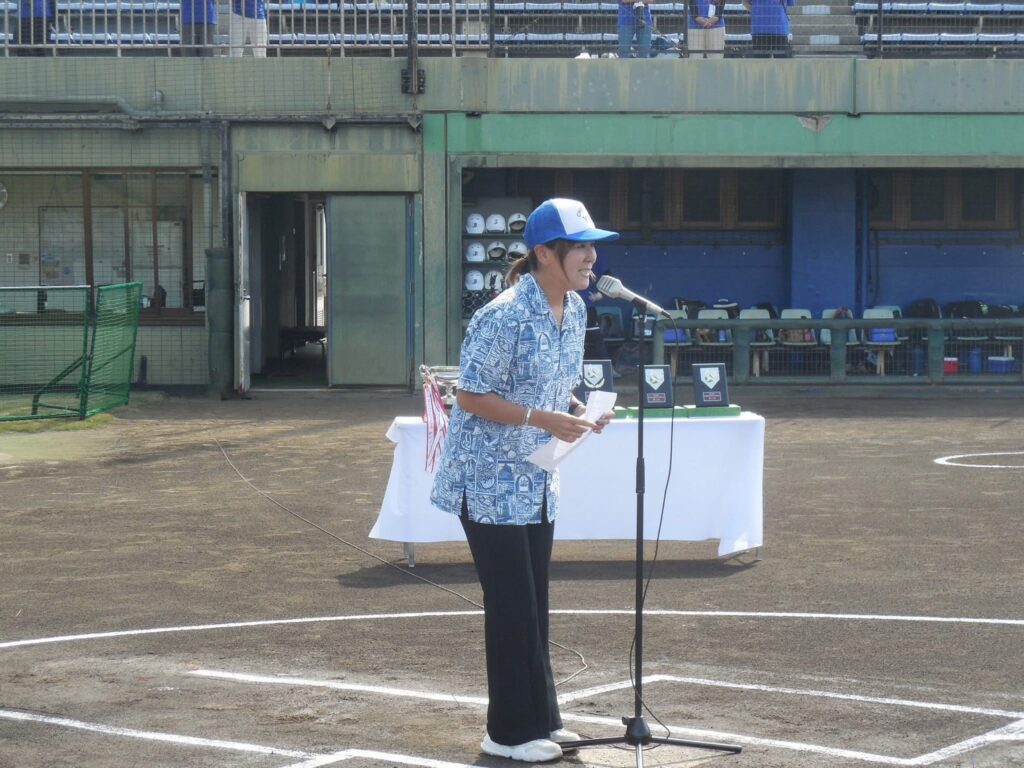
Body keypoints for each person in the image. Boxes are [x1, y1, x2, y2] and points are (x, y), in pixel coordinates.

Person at [430, 198, 618, 763]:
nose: (591, 257)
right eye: (579, 247)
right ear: (544, 253)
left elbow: (557, 383)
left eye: (593, 247)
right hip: (487, 481)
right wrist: (543, 418)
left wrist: (581, 410)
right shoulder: (503, 314)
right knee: (512, 605)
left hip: (536, 479)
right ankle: (507, 733)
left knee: (533, 602)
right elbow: (469, 395)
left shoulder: (576, 309)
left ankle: (542, 719)